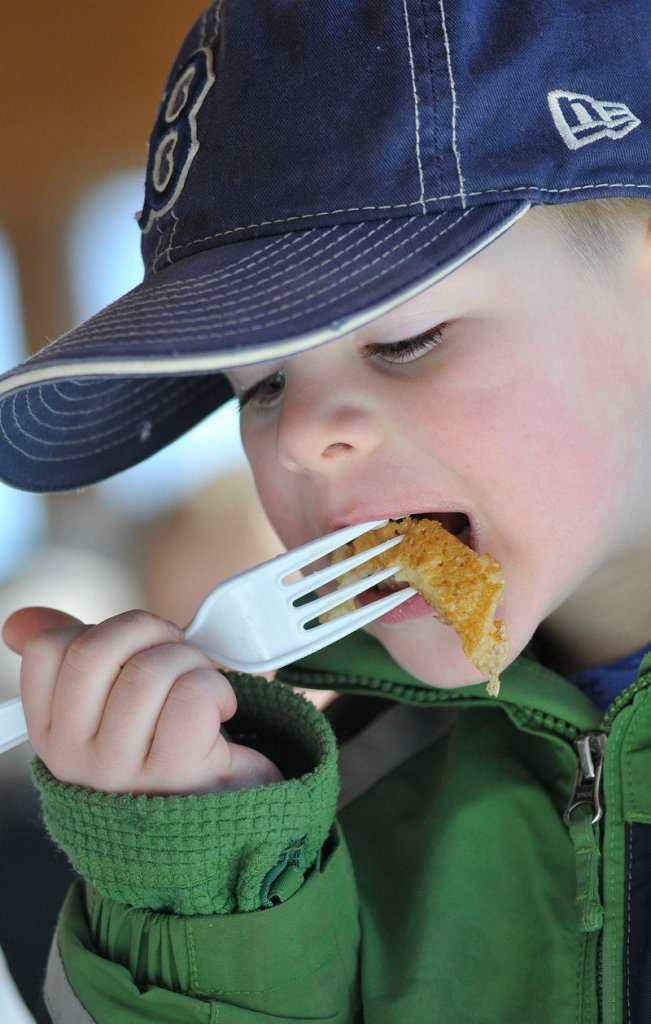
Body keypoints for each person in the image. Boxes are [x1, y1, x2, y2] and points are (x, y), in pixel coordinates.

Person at [0, 2, 649, 1020]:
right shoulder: (333, 807)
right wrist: (199, 898)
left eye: (405, 339)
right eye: (256, 388)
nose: (299, 435)